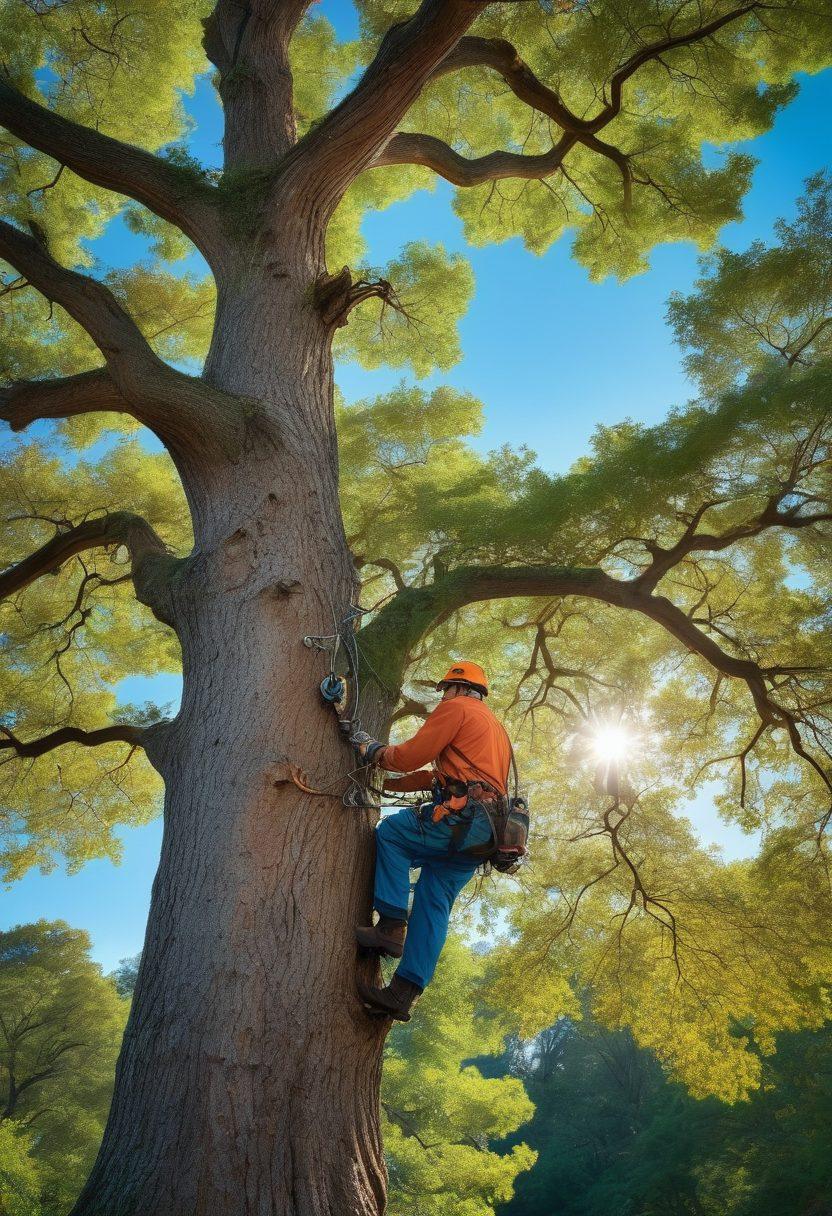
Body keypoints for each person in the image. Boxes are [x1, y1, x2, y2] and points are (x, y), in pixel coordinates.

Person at [353, 661, 512, 1021]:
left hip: (461, 819)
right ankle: (402, 993)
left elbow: (409, 756)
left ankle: (392, 926)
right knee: (434, 900)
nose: (443, 697)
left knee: (393, 833)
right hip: (486, 831)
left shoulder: (456, 708)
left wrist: (376, 753)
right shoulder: (493, 726)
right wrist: (389, 782)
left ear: (456, 688)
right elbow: (442, 775)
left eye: (445, 691)